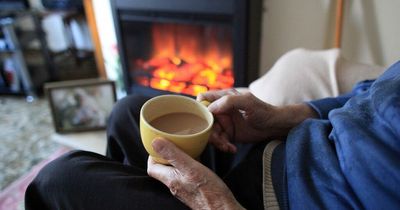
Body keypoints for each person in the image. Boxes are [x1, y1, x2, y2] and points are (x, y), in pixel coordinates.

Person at [25, 58, 400, 210]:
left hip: (275, 202)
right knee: (131, 111)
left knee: (59, 181)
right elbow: (366, 93)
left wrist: (221, 205)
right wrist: (281, 117)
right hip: (282, 148)